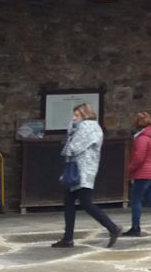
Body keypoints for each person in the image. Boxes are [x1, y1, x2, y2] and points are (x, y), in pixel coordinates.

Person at [52, 103, 121, 248]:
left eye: (77, 115)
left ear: (85, 115)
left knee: (85, 202)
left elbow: (73, 148)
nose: (74, 118)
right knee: (70, 202)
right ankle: (68, 237)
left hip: (81, 171)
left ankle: (113, 227)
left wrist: (68, 138)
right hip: (81, 170)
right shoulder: (94, 127)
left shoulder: (87, 127)